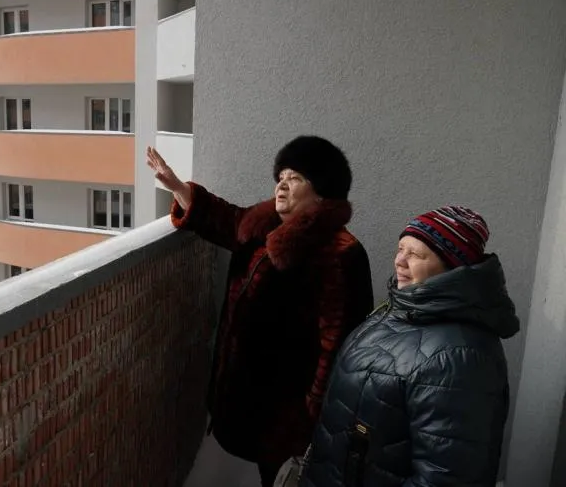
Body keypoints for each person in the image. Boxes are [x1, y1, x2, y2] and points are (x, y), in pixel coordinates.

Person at [146, 136, 374, 487]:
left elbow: (339, 348)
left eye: (295, 178)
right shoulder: (264, 226)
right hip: (255, 402)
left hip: (290, 414)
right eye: (280, 176)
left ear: (322, 191)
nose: (282, 184)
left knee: (286, 477)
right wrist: (177, 186)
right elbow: (223, 219)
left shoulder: (341, 254)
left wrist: (313, 416)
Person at [300, 206, 520, 487]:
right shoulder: (400, 310)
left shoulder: (459, 357)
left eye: (415, 254)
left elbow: (447, 477)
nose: (399, 261)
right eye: (400, 249)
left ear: (451, 266)